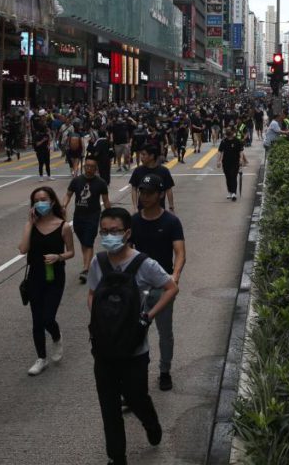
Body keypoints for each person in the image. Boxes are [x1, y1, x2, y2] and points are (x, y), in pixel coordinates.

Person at [88, 207, 179, 465]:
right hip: (104, 347)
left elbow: (171, 287)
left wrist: (147, 317)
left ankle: (150, 422)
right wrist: (98, 318)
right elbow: (93, 293)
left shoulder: (144, 264)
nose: (108, 236)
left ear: (127, 233)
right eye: (104, 232)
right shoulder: (99, 262)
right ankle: (117, 458)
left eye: (114, 231)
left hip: (134, 349)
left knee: (136, 395)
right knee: (109, 406)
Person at [129, 175, 186, 391]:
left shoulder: (171, 221)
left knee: (165, 332)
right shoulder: (133, 221)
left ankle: (165, 371)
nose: (144, 196)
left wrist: (176, 275)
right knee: (136, 332)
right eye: (142, 192)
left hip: (163, 287)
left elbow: (180, 253)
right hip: (138, 287)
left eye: (149, 192)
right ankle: (136, 377)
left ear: (160, 194)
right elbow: (126, 251)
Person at [18, 186, 75, 375]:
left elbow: (71, 252)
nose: (40, 203)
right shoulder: (31, 226)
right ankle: (41, 358)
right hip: (35, 276)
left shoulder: (63, 226)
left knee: (48, 318)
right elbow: (23, 249)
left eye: (44, 199)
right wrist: (29, 224)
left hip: (55, 276)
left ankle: (57, 337)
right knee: (36, 321)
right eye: (36, 200)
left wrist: (58, 257)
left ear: (52, 201)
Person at [63, 158, 111, 283]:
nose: (89, 168)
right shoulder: (77, 180)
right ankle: (88, 264)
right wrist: (64, 205)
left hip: (93, 216)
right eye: (87, 166)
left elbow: (106, 200)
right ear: (84, 167)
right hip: (78, 216)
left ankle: (85, 269)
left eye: (92, 166)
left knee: (88, 241)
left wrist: (110, 215)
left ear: (96, 168)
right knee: (84, 241)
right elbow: (68, 194)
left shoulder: (101, 183)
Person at [129, 145, 175, 212]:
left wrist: (171, 207)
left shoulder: (163, 171)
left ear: (152, 156)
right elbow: (134, 189)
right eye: (141, 154)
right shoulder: (137, 171)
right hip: (142, 210)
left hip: (159, 210)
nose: (141, 157)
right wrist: (135, 207)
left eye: (144, 154)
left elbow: (168, 189)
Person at [217, 127, 248, 201]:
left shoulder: (237, 141)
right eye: (227, 131)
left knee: (233, 176)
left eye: (229, 130)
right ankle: (230, 192)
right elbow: (220, 151)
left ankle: (234, 193)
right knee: (228, 177)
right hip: (226, 162)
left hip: (235, 162)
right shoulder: (224, 141)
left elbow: (240, 151)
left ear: (232, 132)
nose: (228, 132)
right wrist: (218, 161)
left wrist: (241, 159)